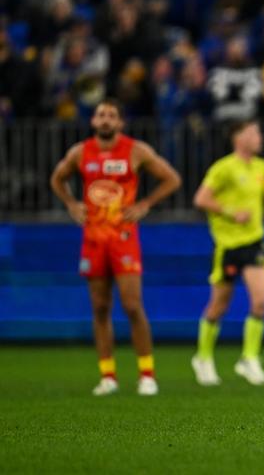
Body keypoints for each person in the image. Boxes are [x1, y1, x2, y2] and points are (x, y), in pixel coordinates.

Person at [50, 99, 181, 396]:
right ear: (94, 122)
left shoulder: (135, 150)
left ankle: (147, 374)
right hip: (93, 238)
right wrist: (71, 204)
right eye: (101, 115)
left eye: (111, 115)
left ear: (120, 123)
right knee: (99, 308)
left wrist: (145, 204)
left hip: (123, 237)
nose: (106, 119)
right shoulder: (81, 152)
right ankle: (108, 376)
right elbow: (57, 179)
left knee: (133, 306)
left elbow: (172, 179)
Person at [191, 119, 264, 387]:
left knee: (260, 302)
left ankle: (249, 358)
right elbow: (201, 199)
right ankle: (203, 357)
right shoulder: (223, 168)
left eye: (259, 131)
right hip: (229, 245)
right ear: (237, 137)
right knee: (219, 305)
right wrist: (231, 213)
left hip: (255, 241)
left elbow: (259, 202)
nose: (259, 136)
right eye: (253, 132)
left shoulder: (261, 167)